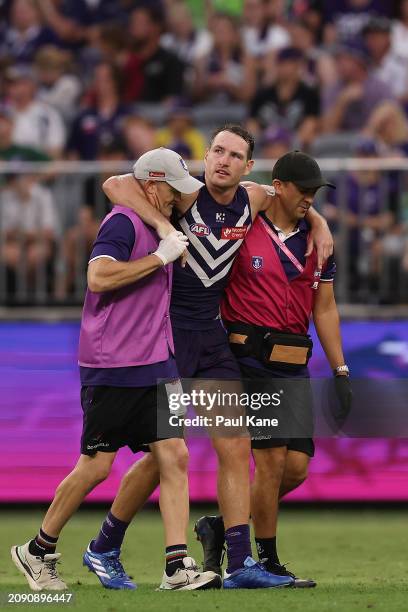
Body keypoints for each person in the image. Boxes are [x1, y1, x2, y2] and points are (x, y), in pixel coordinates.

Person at [85, 125, 333, 589]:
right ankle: (104, 544)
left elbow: (295, 200)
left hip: (211, 338)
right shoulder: (186, 198)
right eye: (217, 150)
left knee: (236, 443)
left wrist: (319, 222)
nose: (222, 159)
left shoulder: (253, 199)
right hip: (166, 338)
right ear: (207, 157)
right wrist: (162, 226)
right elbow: (114, 184)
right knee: (164, 456)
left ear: (247, 167)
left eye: (234, 155)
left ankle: (239, 564)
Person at [11, 148, 221, 592]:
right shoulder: (122, 223)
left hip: (159, 359)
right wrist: (161, 257)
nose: (178, 200)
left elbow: (128, 185)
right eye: (172, 191)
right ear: (151, 185)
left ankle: (176, 567)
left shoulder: (158, 217)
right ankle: (37, 549)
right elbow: (98, 279)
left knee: (175, 453)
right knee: (96, 466)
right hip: (114, 362)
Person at [195, 151, 352, 587]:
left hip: (293, 360)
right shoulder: (245, 225)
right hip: (249, 355)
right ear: (279, 186)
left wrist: (340, 370)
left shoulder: (317, 240)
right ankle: (265, 561)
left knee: (296, 469)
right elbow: (247, 192)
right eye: (303, 190)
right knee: (269, 462)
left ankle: (221, 524)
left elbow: (325, 306)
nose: (309, 199)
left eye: (315, 193)